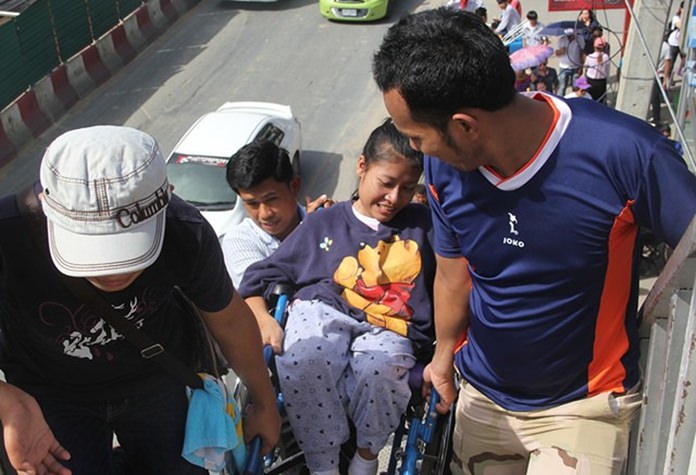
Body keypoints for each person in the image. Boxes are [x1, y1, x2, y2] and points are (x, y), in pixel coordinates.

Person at [372, 8, 696, 474]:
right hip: (482, 399)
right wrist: (444, 357)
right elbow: (452, 275)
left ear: (464, 126)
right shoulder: (445, 169)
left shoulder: (623, 154)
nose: (417, 152)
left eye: (418, 138)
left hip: (584, 406)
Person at [0, 126, 281, 474]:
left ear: (165, 200)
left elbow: (229, 320)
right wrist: (8, 403)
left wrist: (265, 403)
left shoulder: (185, 231)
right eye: (93, 254)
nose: (113, 273)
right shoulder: (7, 236)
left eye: (129, 253)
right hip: (50, 394)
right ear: (48, 210)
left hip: (158, 380)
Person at [238, 119, 435, 475]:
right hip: (323, 309)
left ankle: (366, 456)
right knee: (303, 354)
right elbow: (258, 278)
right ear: (362, 167)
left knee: (381, 368)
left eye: (407, 188)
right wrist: (263, 318)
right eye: (386, 183)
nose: (394, 198)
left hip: (390, 327)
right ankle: (323, 466)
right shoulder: (323, 223)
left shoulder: (425, 226)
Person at [220, 141, 333, 288]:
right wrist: (307, 233)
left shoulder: (325, 223)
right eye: (252, 204)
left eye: (271, 199)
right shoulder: (238, 241)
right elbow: (271, 291)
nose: (265, 214)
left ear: (294, 187)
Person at [555, 27, 585, 95]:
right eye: (568, 36)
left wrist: (581, 66)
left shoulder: (580, 39)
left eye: (571, 36)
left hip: (576, 66)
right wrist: (561, 51)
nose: (569, 38)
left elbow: (582, 52)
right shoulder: (562, 40)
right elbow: (557, 53)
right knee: (562, 87)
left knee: (575, 87)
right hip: (564, 66)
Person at [583, 37, 611, 102]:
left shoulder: (590, 56)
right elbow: (607, 70)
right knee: (600, 100)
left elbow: (585, 66)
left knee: (590, 99)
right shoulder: (606, 57)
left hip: (591, 80)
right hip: (601, 82)